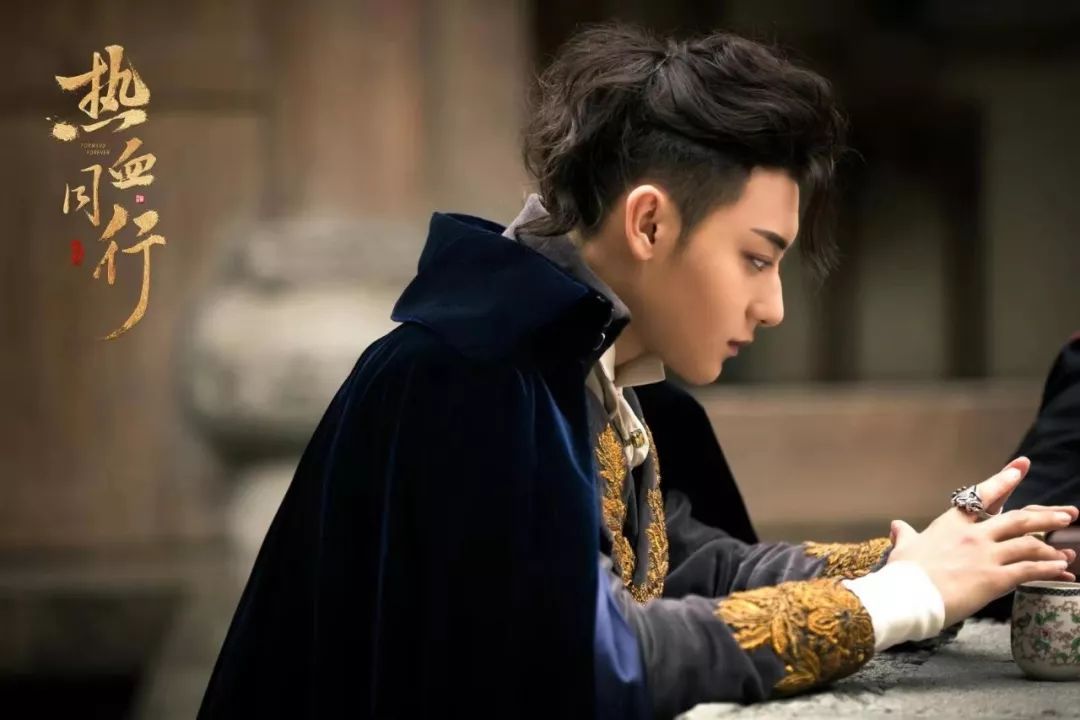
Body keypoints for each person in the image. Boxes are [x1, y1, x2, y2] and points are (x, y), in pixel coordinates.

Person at [198, 23, 1078, 719]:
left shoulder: (571, 363)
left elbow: (691, 567)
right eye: (756, 258)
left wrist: (922, 562)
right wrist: (905, 598)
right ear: (649, 224)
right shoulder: (475, 378)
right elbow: (597, 659)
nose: (772, 307)